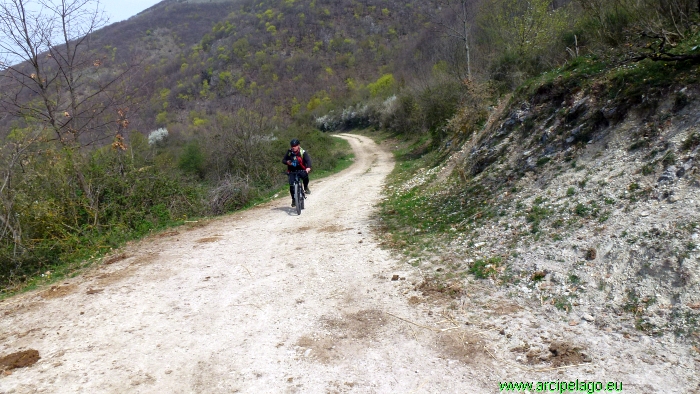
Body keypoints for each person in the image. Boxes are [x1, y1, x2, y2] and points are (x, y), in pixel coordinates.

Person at [282, 139, 312, 207]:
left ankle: (306, 187)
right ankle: (293, 200)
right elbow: (283, 160)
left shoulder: (302, 152)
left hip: (301, 169)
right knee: (291, 185)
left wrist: (308, 167)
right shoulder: (289, 152)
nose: (293, 147)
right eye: (292, 146)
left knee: (305, 177)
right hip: (292, 170)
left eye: (295, 146)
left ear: (298, 145)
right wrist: (287, 162)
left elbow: (308, 160)